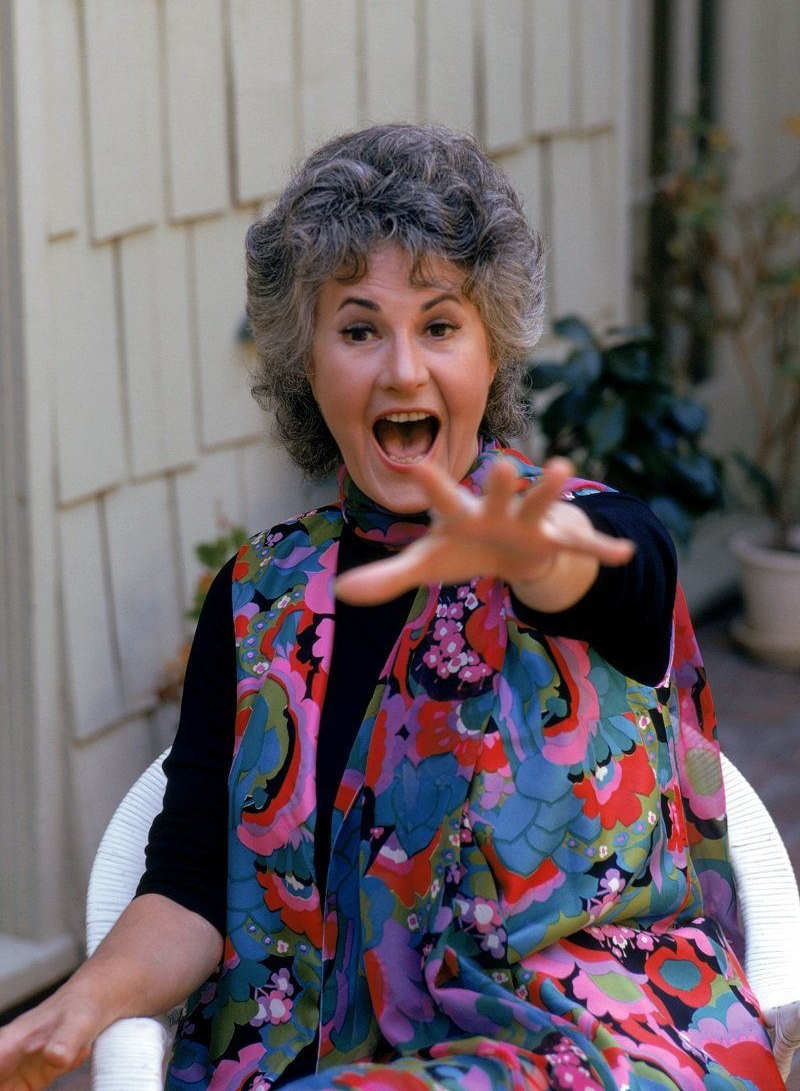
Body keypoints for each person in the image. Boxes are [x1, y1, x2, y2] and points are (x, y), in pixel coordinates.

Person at [0, 123, 783, 1091]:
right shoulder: (256, 599)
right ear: (309, 362)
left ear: (491, 352)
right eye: (360, 328)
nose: (403, 371)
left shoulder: (593, 531)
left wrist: (529, 558)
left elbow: (606, 582)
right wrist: (79, 1002)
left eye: (440, 325)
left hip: (600, 1048)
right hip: (342, 1059)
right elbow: (193, 884)